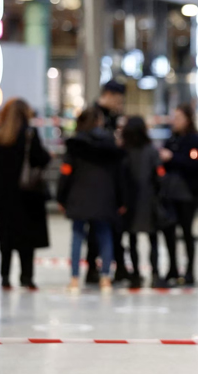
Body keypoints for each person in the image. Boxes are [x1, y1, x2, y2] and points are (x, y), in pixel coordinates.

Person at [57, 107, 125, 293]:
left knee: (78, 236)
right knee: (104, 236)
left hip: (78, 195)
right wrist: (121, 200)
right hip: (105, 196)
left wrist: (61, 197)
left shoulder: (75, 144)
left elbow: (66, 173)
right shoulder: (110, 144)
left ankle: (74, 279)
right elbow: (118, 174)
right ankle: (105, 278)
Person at [0, 99, 51, 291]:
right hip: (27, 195)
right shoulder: (29, 135)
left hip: (3, 195)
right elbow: (41, 158)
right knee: (27, 238)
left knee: (6, 238)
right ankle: (27, 277)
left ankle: (5, 277)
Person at [159, 105, 198, 286]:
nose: (175, 121)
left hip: (187, 194)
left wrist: (172, 157)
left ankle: (189, 271)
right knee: (169, 231)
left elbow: (196, 165)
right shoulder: (171, 139)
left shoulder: (196, 141)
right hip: (169, 194)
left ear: (188, 119)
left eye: (179, 117)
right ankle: (172, 268)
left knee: (187, 232)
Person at [85, 80, 127, 284]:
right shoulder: (93, 115)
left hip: (114, 180)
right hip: (96, 180)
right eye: (118, 99)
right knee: (95, 227)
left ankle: (118, 267)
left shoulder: (115, 116)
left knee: (116, 226)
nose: (120, 104)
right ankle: (92, 267)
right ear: (109, 95)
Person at [121, 116, 167, 289]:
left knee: (132, 240)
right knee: (152, 238)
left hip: (130, 202)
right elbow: (159, 176)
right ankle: (155, 273)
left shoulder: (124, 151)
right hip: (149, 201)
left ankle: (135, 275)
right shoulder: (151, 150)